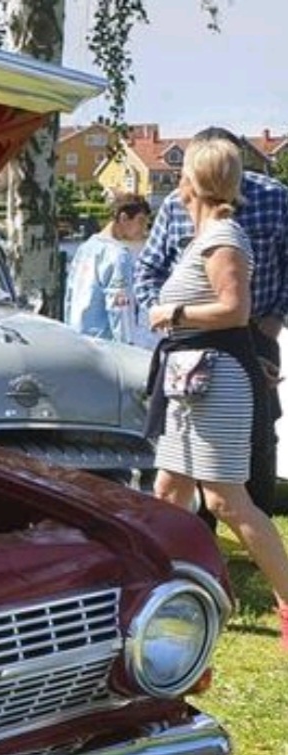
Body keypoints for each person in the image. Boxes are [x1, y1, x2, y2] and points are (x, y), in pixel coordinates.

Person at [143, 136, 288, 649]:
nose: (175, 180)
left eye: (181, 172)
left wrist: (171, 314)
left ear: (193, 181)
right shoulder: (205, 234)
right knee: (168, 493)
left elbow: (236, 310)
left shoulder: (224, 237)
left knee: (226, 501)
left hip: (215, 383)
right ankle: (162, 593)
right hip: (191, 382)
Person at [64, 189, 153, 345]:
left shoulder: (85, 248)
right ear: (124, 218)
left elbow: (69, 297)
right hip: (104, 346)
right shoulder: (119, 256)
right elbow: (120, 308)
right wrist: (128, 347)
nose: (144, 228)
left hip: (77, 340)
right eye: (141, 221)